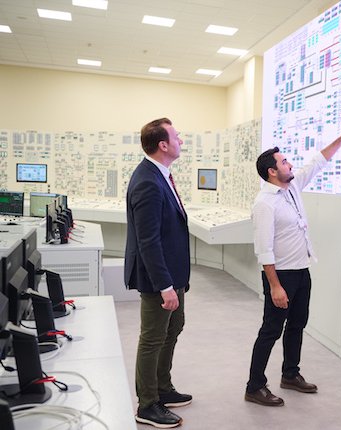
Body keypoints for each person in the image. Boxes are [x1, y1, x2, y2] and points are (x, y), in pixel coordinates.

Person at [245, 118, 341, 406]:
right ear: (272, 171)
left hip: (301, 271)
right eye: (284, 162)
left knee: (297, 325)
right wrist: (275, 286)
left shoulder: (292, 187)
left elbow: (318, 160)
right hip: (281, 276)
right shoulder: (264, 204)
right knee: (271, 330)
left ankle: (290, 374)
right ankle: (254, 386)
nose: (290, 165)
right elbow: (264, 250)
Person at [125, 117, 192, 428]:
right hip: (158, 278)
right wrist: (165, 285)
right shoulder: (148, 182)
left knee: (174, 328)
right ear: (163, 145)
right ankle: (147, 404)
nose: (181, 141)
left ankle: (162, 388)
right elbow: (148, 240)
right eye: (177, 137)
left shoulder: (160, 175)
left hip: (172, 274)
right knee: (153, 338)